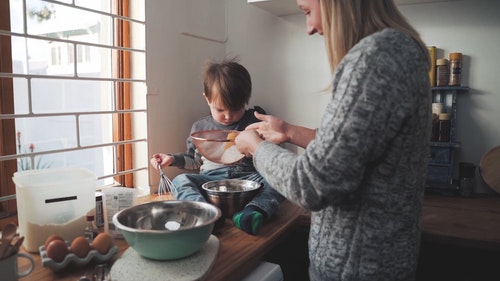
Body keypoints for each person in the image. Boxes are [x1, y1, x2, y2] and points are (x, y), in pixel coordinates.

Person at [235, 0, 431, 280]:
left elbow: (313, 184)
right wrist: (289, 131)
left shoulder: (376, 57)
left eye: (307, 11)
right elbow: (356, 150)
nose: (310, 28)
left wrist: (256, 148)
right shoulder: (399, 51)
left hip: (357, 270)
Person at [151, 58, 285, 235]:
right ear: (207, 99)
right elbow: (195, 161)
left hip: (249, 182)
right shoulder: (200, 129)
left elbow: (267, 155)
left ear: (246, 100)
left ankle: (253, 212)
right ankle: (207, 213)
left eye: (236, 109)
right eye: (220, 110)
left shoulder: (254, 123)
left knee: (279, 180)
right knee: (180, 181)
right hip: (211, 183)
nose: (228, 116)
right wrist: (173, 159)